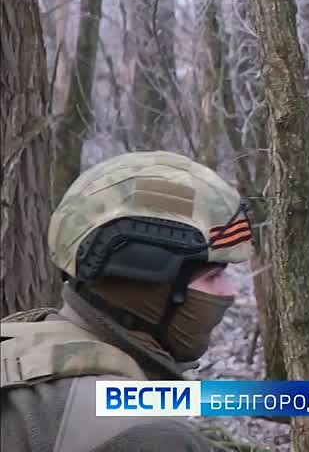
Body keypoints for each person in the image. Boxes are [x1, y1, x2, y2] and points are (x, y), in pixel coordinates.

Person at [1, 151, 253, 452]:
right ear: (145, 285)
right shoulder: (146, 435)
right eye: (213, 277)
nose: (229, 291)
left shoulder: (23, 346)